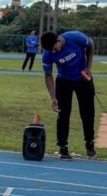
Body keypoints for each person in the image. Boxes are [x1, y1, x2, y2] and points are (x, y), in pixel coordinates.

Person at [41, 28, 97, 159]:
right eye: (52, 51)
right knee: (63, 114)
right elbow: (48, 75)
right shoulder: (47, 54)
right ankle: (63, 146)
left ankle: (89, 143)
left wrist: (88, 67)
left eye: (55, 49)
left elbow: (91, 45)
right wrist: (53, 97)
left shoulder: (75, 37)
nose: (54, 52)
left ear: (59, 40)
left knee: (88, 112)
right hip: (64, 80)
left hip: (83, 78)